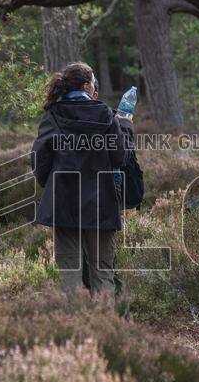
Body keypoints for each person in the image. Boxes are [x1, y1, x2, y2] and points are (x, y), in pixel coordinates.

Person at [31, 61, 135, 295]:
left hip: (63, 202)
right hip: (102, 203)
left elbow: (39, 160)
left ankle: (79, 329)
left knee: (69, 273)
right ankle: (104, 328)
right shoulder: (107, 114)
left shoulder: (53, 115)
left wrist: (52, 185)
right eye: (94, 81)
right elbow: (120, 157)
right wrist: (126, 125)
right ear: (88, 85)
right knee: (103, 272)